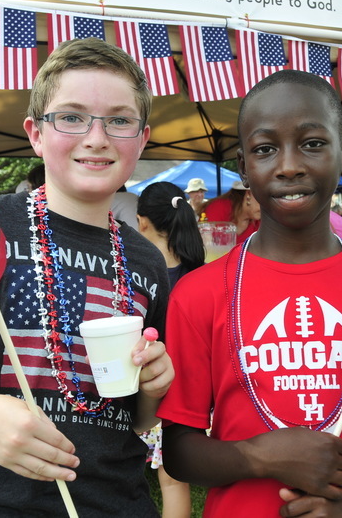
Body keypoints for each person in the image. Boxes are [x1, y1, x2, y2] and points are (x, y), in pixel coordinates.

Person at [0, 37, 174, 516]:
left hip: (116, 503)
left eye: (120, 120)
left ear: (142, 139)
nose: (97, 137)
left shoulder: (146, 260)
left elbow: (138, 419)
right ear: (36, 133)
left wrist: (151, 389)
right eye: (71, 116)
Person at [158, 70, 342, 518]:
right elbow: (179, 452)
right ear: (243, 167)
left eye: (312, 143)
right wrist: (260, 456)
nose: (288, 166)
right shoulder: (198, 293)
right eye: (265, 149)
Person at [136, 181, 204, 518]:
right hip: (199, 393)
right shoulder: (199, 274)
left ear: (143, 222)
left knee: (171, 480)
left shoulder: (140, 277)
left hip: (157, 394)